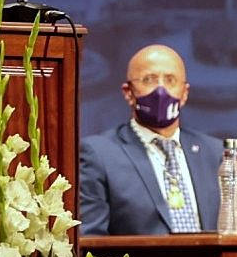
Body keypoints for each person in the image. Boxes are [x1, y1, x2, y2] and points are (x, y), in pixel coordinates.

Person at [78, 43, 224, 234]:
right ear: (128, 93)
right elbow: (91, 240)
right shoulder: (99, 154)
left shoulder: (215, 153)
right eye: (149, 80)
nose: (160, 90)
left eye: (170, 80)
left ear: (185, 93)